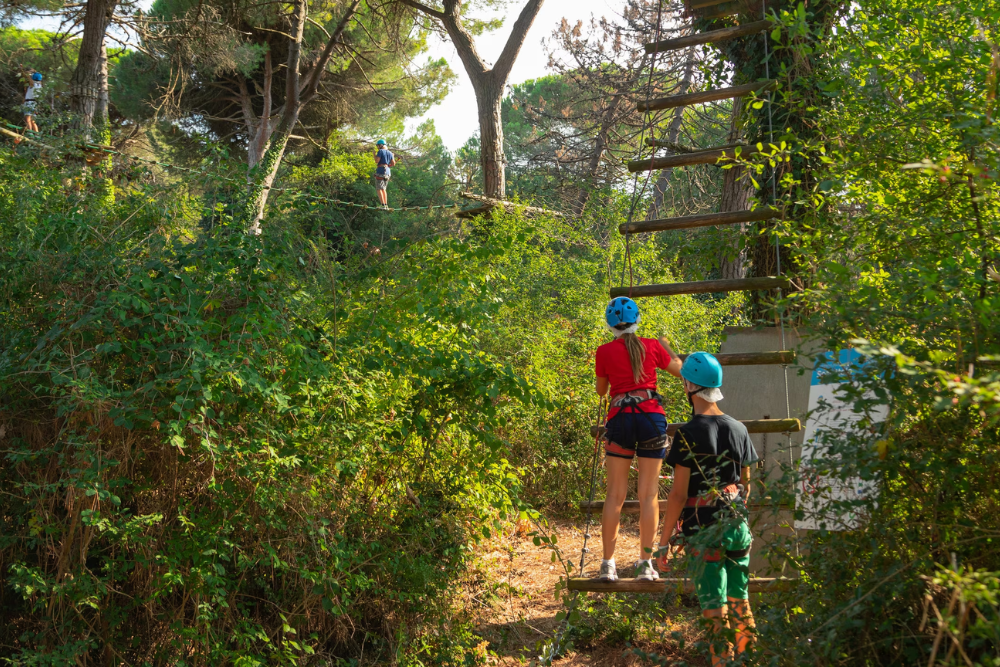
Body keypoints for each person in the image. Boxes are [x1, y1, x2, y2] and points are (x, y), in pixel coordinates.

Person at [656, 352, 759, 667]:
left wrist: (662, 544)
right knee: (740, 604)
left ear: (688, 385)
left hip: (704, 532)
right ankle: (748, 661)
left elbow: (677, 495)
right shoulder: (739, 428)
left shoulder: (688, 434)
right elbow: (746, 484)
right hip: (737, 529)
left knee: (714, 610)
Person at [594, 296, 682, 582]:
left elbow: (601, 391)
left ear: (610, 325)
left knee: (614, 496)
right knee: (649, 495)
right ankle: (645, 564)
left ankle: (608, 564)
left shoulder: (604, 351)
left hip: (620, 417)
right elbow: (680, 369)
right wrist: (666, 345)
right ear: (637, 320)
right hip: (650, 417)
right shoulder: (653, 346)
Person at [16, 71, 42, 145]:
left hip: (29, 103)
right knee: (33, 120)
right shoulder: (39, 85)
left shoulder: (33, 84)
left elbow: (28, 78)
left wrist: (22, 70)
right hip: (35, 103)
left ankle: (30, 132)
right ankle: (37, 135)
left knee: (28, 119)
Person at [373, 139, 395, 209]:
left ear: (381, 145)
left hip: (381, 171)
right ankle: (385, 205)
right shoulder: (390, 153)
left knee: (379, 189)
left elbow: (377, 161)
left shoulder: (380, 151)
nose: (378, 147)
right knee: (383, 189)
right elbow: (393, 163)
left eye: (378, 145)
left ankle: (383, 205)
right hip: (388, 172)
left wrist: (374, 154)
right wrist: (392, 156)